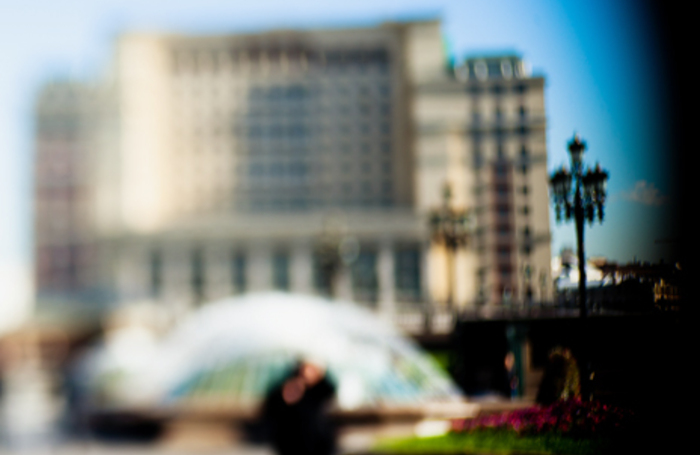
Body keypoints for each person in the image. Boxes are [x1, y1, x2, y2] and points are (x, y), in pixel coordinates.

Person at [262, 359, 337, 455]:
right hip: (290, 443)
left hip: (316, 445)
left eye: (313, 370)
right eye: (306, 368)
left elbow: (331, 390)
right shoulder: (287, 386)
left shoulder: (319, 391)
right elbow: (272, 408)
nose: (308, 373)